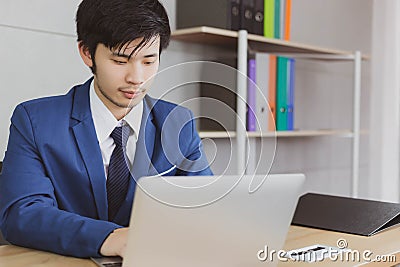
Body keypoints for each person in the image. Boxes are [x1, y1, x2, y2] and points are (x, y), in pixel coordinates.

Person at [0, 0, 212, 259]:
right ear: (87, 52)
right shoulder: (35, 122)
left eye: (149, 61)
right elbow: (21, 214)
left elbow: (206, 208)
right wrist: (109, 238)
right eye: (120, 61)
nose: (136, 78)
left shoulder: (178, 123)